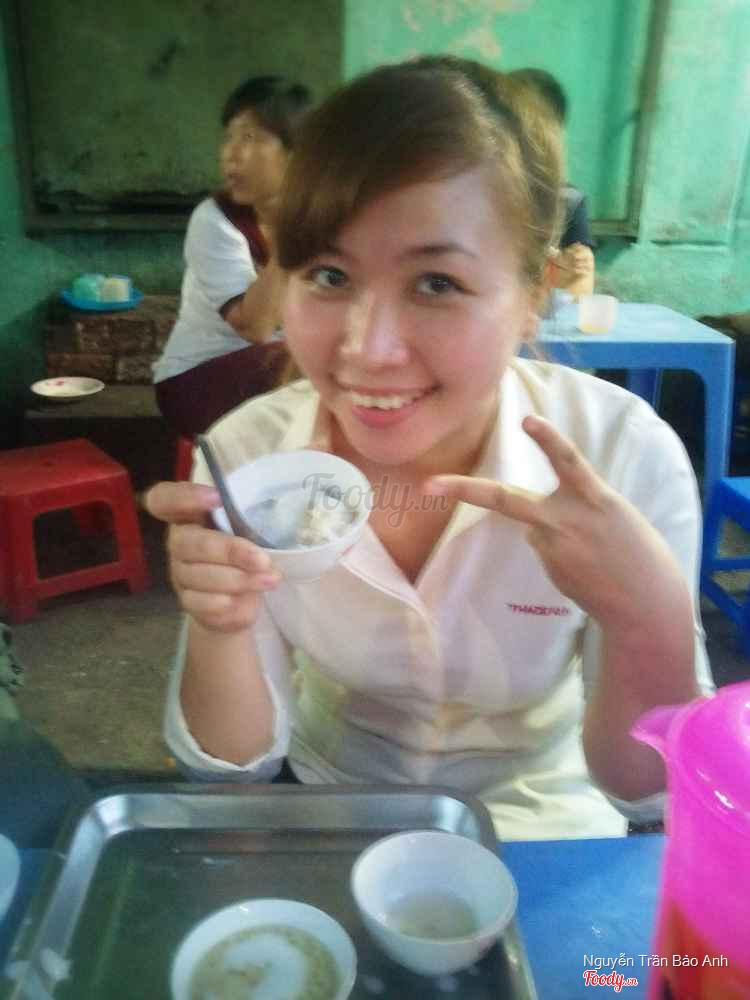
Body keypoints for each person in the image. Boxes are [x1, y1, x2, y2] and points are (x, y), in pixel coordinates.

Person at [145, 60, 712, 841]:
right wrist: (219, 622)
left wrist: (647, 617)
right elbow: (231, 767)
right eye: (330, 275)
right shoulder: (251, 457)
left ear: (532, 298)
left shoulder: (622, 455)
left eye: (436, 283)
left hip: (542, 824)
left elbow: (647, 792)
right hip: (334, 808)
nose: (367, 349)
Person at [152, 75, 312, 437]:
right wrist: (289, 234)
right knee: (309, 368)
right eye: (229, 137)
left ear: (295, 154)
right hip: (195, 382)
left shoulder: (323, 217)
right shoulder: (214, 219)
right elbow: (255, 326)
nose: (230, 153)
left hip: (271, 369)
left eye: (250, 137)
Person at [508, 67, 596, 298]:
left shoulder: (568, 201)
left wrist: (563, 281)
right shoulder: (474, 193)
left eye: (539, 130)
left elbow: (580, 287)